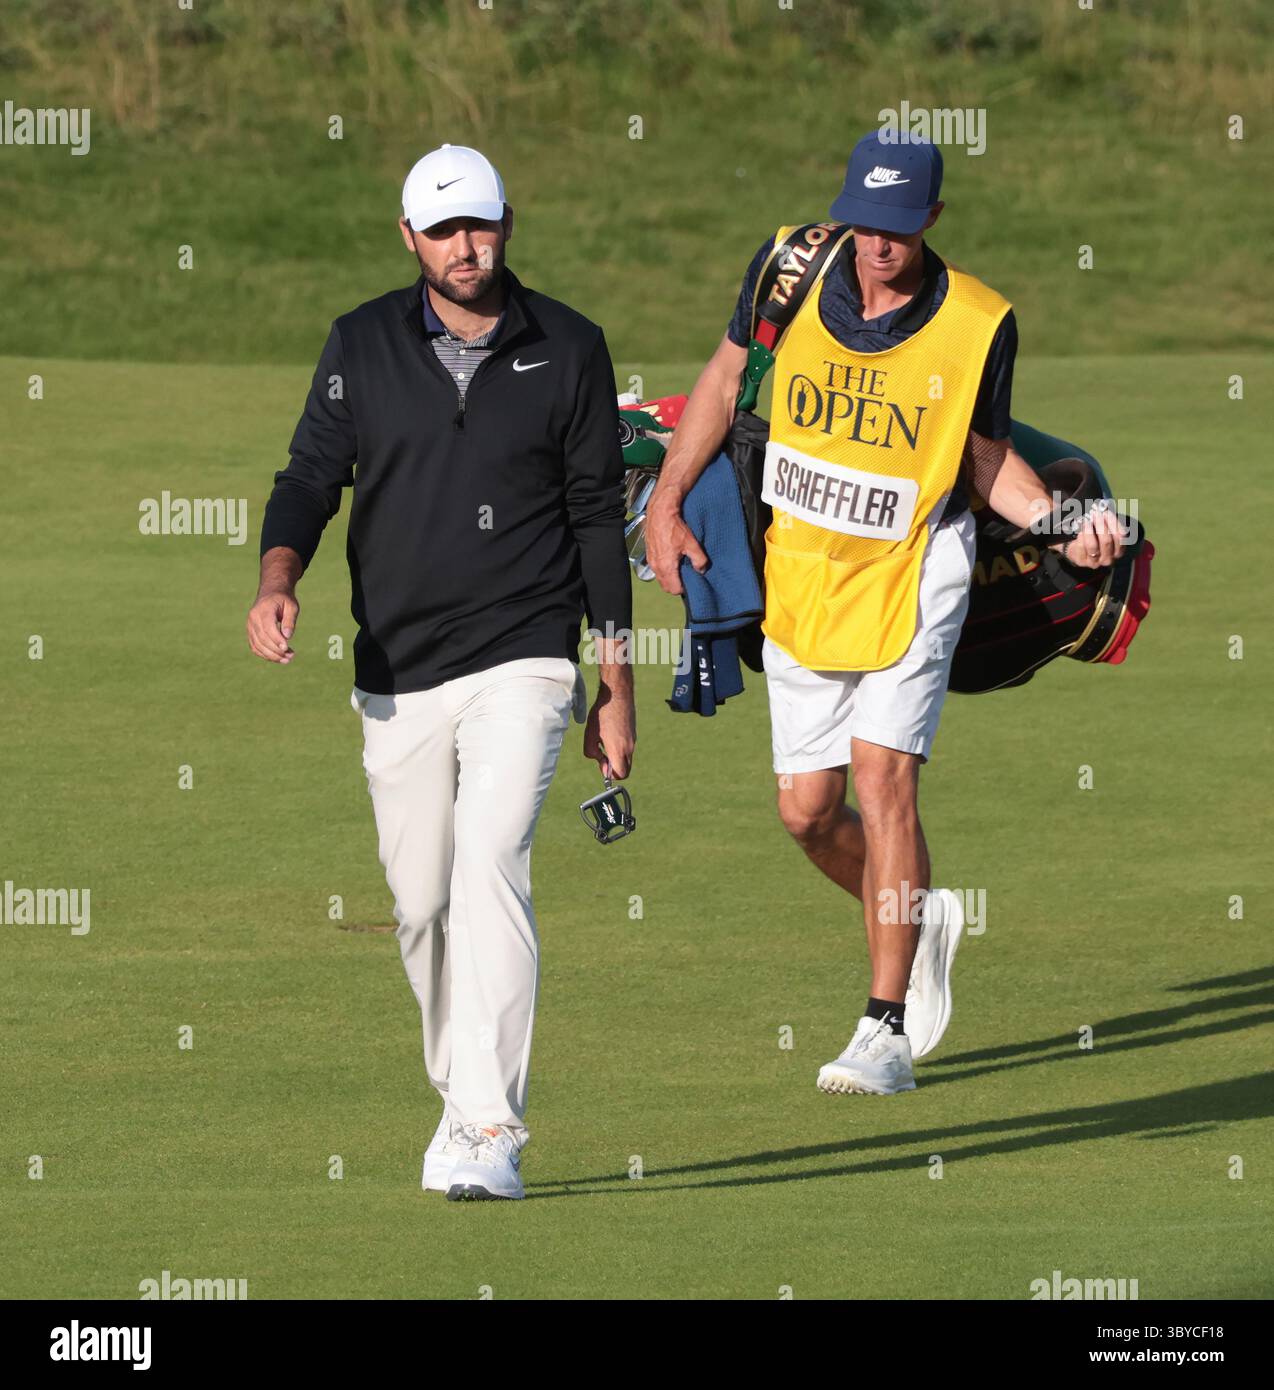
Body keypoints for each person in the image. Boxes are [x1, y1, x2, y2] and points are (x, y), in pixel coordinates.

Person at [645, 132, 1121, 1096]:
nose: (877, 244)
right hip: (805, 569)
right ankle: (917, 912)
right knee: (807, 814)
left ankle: (884, 1028)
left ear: (932, 222)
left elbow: (983, 459)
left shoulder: (980, 323)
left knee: (882, 778)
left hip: (915, 567)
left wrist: (1064, 523)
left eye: (899, 229)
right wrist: (665, 500)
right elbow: (722, 380)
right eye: (865, 221)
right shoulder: (788, 264)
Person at [246, 144, 635, 1198]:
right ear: (408, 237)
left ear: (506, 223)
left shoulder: (570, 347)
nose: (470, 248)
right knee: (421, 904)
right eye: (447, 231)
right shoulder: (359, 344)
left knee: (491, 858)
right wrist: (280, 577)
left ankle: (489, 1124)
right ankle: (458, 1091)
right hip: (399, 666)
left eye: (485, 225)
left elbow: (599, 516)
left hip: (524, 655)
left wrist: (615, 679)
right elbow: (308, 476)